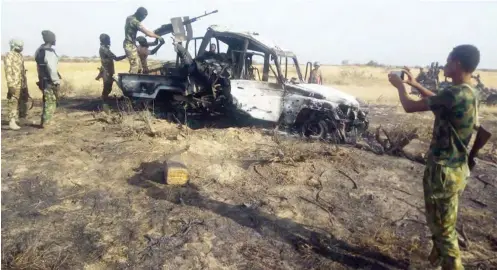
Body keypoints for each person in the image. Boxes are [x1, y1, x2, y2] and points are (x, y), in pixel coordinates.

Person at [387, 44, 492, 270]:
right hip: (457, 170)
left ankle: (451, 265)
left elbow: (408, 106)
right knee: (443, 223)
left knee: (443, 231)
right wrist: (415, 84)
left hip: (443, 171)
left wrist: (399, 87)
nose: (444, 64)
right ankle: (439, 263)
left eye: (447, 60)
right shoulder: (470, 92)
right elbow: (440, 101)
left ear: (457, 64)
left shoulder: (454, 93)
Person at [124, 7, 164, 73]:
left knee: (138, 67)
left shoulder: (129, 18)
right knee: (135, 66)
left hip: (130, 44)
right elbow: (147, 32)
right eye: (143, 17)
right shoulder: (135, 22)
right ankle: (132, 80)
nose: (143, 19)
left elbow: (153, 43)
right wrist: (158, 37)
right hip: (130, 44)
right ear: (139, 15)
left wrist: (156, 37)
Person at [35, 30, 61, 128]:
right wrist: (56, 82)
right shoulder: (49, 52)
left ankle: (44, 120)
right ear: (51, 40)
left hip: (42, 79)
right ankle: (47, 123)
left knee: (46, 100)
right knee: (51, 101)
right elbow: (52, 69)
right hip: (49, 81)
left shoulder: (39, 50)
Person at [3, 39, 29, 130]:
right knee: (13, 102)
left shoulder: (20, 55)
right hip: (14, 83)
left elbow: (22, 70)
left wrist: (25, 84)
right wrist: (10, 85)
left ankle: (22, 119)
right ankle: (12, 121)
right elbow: (8, 70)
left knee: (23, 101)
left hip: (22, 83)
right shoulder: (9, 55)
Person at [96, 34, 126, 105]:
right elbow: (116, 58)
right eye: (108, 40)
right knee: (106, 89)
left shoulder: (104, 48)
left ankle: (105, 103)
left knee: (108, 88)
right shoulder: (104, 49)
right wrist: (126, 55)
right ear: (105, 41)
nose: (110, 41)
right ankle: (104, 105)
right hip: (107, 72)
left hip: (108, 71)